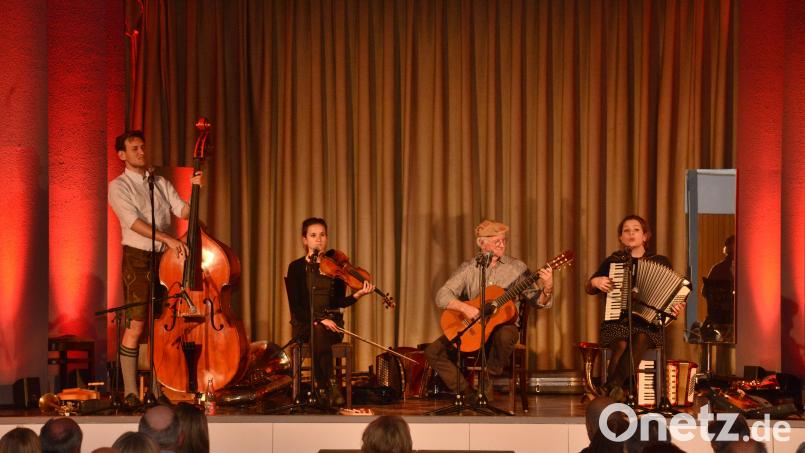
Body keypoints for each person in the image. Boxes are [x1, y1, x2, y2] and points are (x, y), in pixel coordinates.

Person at [108, 130, 202, 404]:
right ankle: (129, 392)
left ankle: (159, 388)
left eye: (142, 147)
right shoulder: (119, 186)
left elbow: (181, 210)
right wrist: (169, 239)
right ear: (122, 155)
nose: (140, 152)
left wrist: (195, 190)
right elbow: (133, 223)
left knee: (162, 324)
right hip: (138, 257)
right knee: (137, 323)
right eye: (134, 148)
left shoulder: (159, 182)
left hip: (162, 257)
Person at [424, 219, 554, 400]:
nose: (502, 245)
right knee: (433, 352)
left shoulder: (517, 268)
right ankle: (466, 392)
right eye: (496, 241)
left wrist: (547, 288)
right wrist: (464, 308)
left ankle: (488, 377)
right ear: (482, 243)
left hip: (502, 327)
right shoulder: (469, 268)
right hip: (474, 327)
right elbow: (442, 295)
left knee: (507, 334)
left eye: (504, 240)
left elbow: (537, 301)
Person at [585, 215, 684, 401]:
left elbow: (674, 293)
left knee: (640, 337)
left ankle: (609, 389)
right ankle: (617, 392)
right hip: (617, 323)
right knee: (621, 344)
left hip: (649, 326)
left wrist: (675, 306)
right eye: (626, 230)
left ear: (645, 236)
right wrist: (596, 281)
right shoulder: (612, 262)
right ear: (621, 238)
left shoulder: (660, 262)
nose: (631, 233)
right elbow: (589, 288)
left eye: (636, 230)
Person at [285, 217, 375, 407]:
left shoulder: (335, 267)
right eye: (313, 235)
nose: (318, 239)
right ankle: (329, 384)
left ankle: (323, 387)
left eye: (322, 235)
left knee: (321, 330)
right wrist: (319, 319)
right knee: (318, 328)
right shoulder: (296, 268)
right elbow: (296, 307)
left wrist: (357, 294)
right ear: (304, 239)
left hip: (333, 325)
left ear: (326, 238)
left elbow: (339, 302)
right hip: (305, 324)